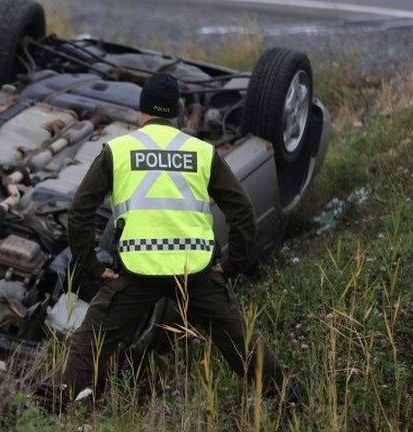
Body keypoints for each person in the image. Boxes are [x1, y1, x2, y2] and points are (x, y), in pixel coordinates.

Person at [60, 72, 287, 401]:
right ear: (176, 113)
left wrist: (93, 268)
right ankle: (287, 400)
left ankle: (55, 405)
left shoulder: (118, 150)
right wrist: (234, 263)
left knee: (91, 341)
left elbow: (79, 213)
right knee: (241, 343)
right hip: (194, 273)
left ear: (141, 111)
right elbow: (241, 210)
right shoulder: (201, 151)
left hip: (138, 272)